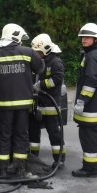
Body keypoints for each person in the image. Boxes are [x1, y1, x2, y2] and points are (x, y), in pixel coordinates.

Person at [0, 23, 44, 181]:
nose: (22, 43)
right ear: (16, 36)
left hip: (3, 105)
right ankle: (19, 168)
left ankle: (2, 170)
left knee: (3, 136)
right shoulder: (28, 53)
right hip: (23, 104)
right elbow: (40, 68)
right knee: (21, 135)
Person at [72, 23, 97, 178]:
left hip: (91, 108)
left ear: (96, 39)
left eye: (88, 37)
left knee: (88, 138)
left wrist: (81, 101)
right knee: (94, 136)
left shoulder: (92, 56)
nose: (84, 39)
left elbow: (90, 81)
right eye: (83, 37)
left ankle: (90, 169)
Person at [28, 33, 66, 169]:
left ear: (46, 49)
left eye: (38, 52)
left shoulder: (56, 62)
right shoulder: (35, 62)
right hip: (36, 105)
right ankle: (33, 159)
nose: (36, 55)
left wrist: (41, 85)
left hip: (51, 105)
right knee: (33, 134)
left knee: (54, 134)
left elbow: (56, 80)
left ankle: (59, 160)